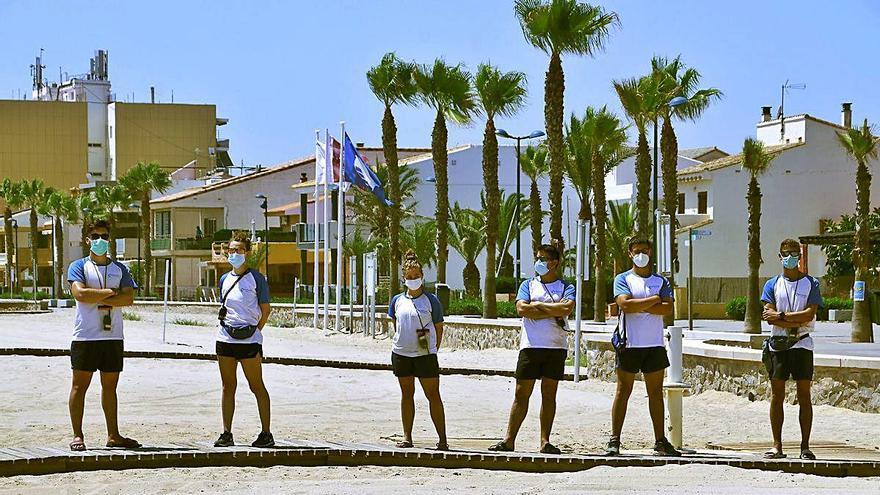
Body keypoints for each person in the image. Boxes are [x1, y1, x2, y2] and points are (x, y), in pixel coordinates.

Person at [489, 243, 575, 454]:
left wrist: (537, 307)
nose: (538, 262)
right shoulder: (528, 284)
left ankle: (545, 441)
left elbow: (567, 308)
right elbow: (521, 309)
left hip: (555, 347)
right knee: (521, 393)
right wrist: (550, 309)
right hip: (530, 346)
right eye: (537, 258)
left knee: (549, 394)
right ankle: (509, 440)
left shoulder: (567, 287)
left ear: (554, 263)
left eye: (542, 259)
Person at [66, 219, 140, 451]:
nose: (100, 241)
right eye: (95, 236)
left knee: (110, 387)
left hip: (112, 337)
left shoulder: (120, 269)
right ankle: (78, 435)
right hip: (86, 337)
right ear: (87, 240)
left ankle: (113, 435)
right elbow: (80, 294)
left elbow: (128, 298)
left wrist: (95, 295)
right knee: (79, 386)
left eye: (104, 236)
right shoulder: (78, 266)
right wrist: (110, 293)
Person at [607, 235, 680, 456]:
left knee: (656, 393)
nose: (641, 255)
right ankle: (614, 440)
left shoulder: (661, 281)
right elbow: (624, 305)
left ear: (651, 253)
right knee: (623, 391)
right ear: (630, 254)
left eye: (645, 251)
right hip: (629, 344)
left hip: (654, 345)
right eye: (636, 251)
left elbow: (667, 309)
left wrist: (641, 305)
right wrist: (653, 300)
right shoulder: (623, 279)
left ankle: (660, 440)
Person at [760, 238, 822, 460]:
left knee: (804, 395)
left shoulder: (811, 283)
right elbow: (769, 317)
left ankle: (805, 446)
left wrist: (783, 316)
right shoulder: (772, 284)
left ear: (800, 256)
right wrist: (791, 320)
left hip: (802, 344)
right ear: (780, 256)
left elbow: (809, 314)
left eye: (794, 253)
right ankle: (777, 446)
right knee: (777, 395)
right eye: (786, 253)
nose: (790, 257)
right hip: (778, 346)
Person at [213, 232, 275, 448]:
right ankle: (226, 432)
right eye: (231, 250)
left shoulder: (257, 279)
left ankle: (266, 433)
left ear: (247, 253)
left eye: (239, 250)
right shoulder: (224, 279)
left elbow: (265, 310)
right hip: (225, 338)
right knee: (227, 386)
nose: (234, 253)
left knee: (256, 385)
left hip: (249, 341)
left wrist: (255, 331)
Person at [388, 250, 448, 450]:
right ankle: (407, 437)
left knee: (433, 394)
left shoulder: (431, 300)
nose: (413, 280)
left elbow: (439, 327)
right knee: (407, 394)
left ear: (422, 277)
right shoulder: (397, 300)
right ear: (404, 278)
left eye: (416, 277)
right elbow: (396, 323)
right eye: (409, 277)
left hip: (424, 351)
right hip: (401, 352)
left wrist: (432, 348)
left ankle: (442, 439)